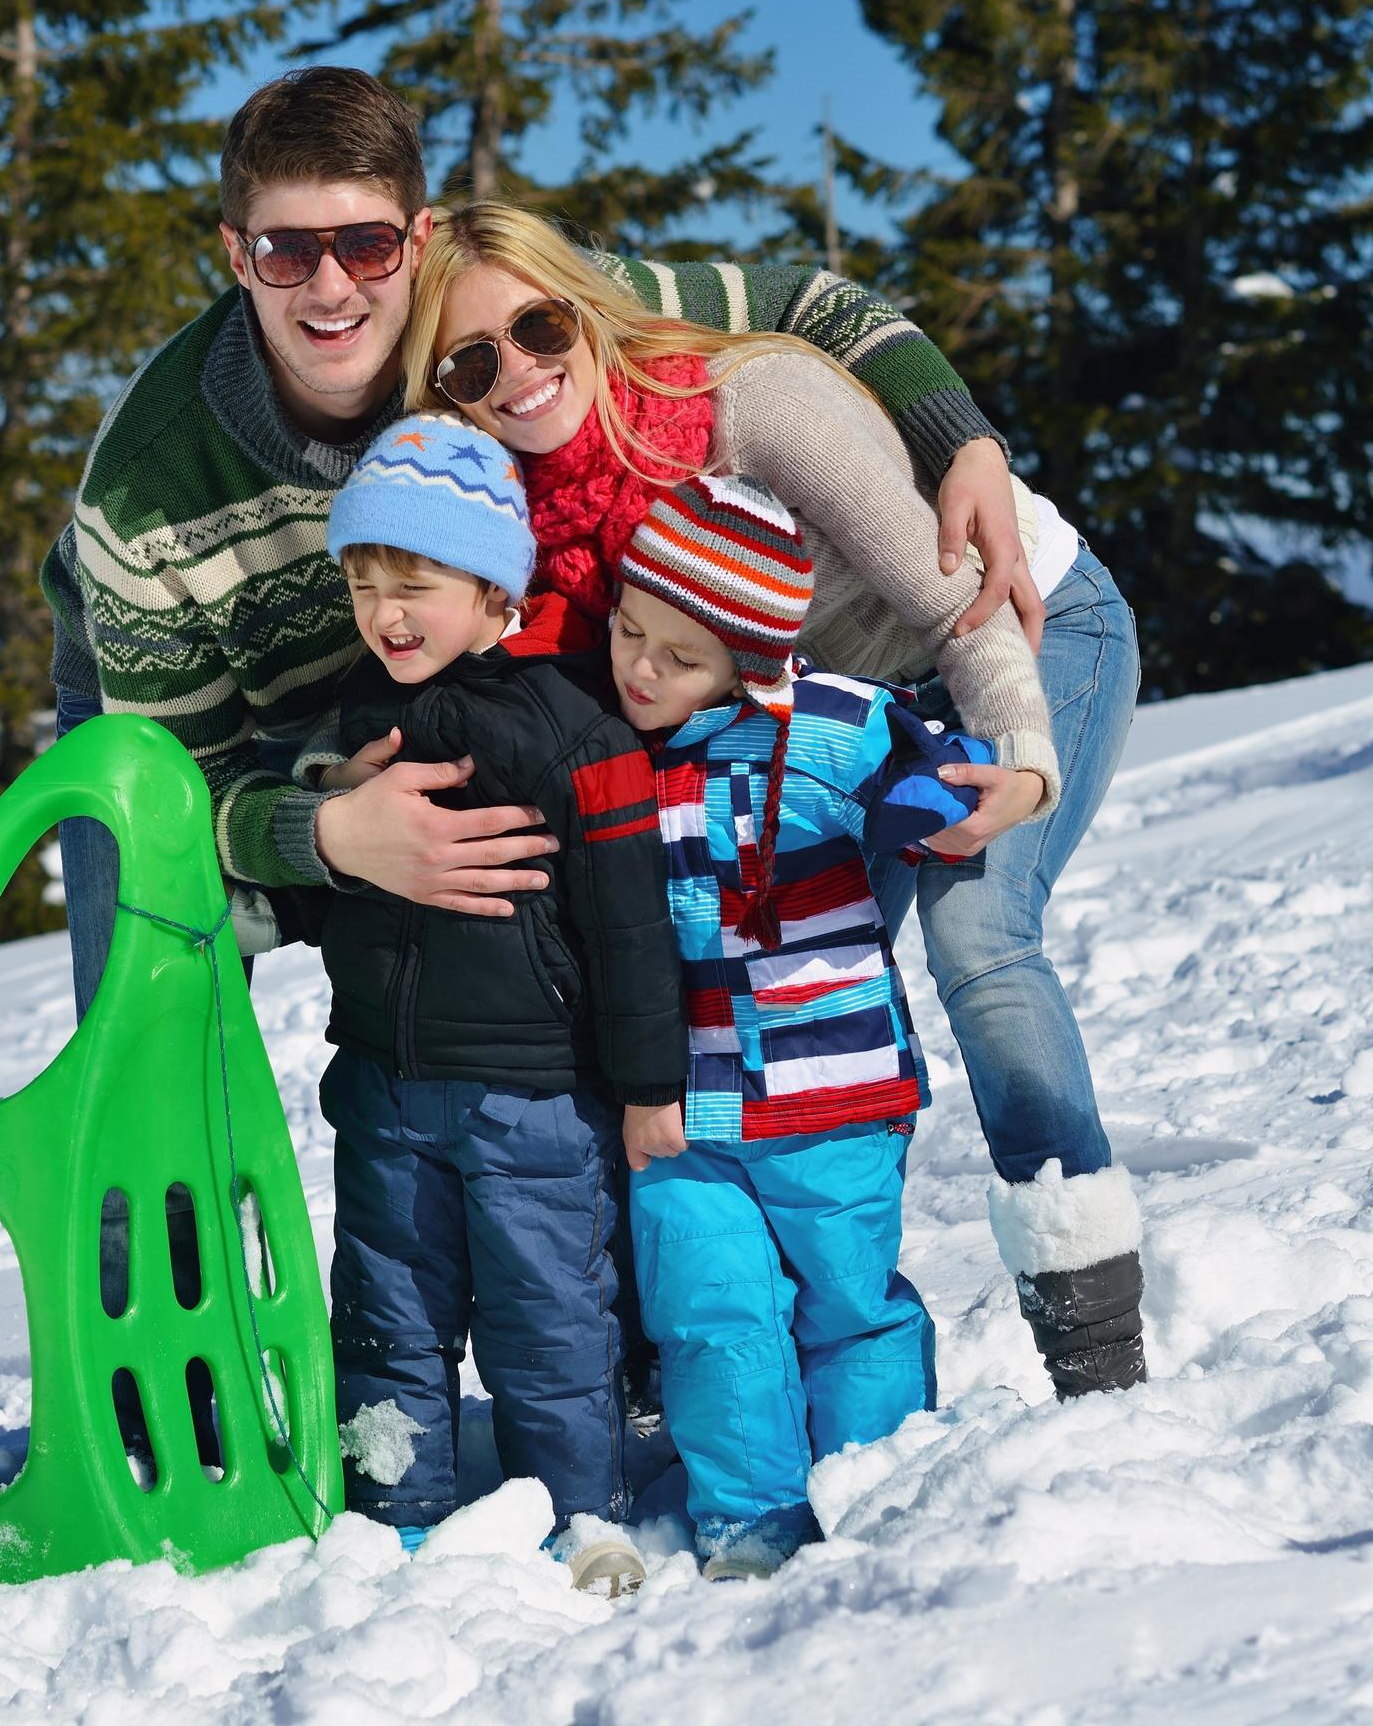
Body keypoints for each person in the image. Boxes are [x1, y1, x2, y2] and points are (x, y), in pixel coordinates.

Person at [42, 66, 1042, 997]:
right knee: (156, 973)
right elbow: (182, 799)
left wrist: (963, 439)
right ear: (235, 253)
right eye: (286, 249)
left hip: (408, 680)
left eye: (366, 244)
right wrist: (326, 832)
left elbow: (802, 304)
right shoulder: (146, 496)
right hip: (181, 690)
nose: (332, 286)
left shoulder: (504, 330)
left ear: (419, 235)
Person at [406, 200, 1151, 1400]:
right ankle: (710, 1339)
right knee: (739, 971)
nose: (521, 372)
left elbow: (950, 596)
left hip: (1017, 631)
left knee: (976, 929)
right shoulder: (523, 517)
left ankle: (1094, 1344)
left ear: (587, 308)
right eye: (472, 360)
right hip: (823, 710)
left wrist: (1017, 750)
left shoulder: (747, 405)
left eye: (540, 325)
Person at [313, 416, 679, 1596]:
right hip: (383, 1077)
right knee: (385, 1307)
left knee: (548, 1312)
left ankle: (583, 1512)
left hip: (534, 1094)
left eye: (413, 584)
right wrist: (324, 797)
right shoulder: (347, 722)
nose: (387, 612)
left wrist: (646, 1086)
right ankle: (396, 1509)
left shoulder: (576, 731)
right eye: (364, 584)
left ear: (491, 591)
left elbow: (629, 931)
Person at [605, 476, 989, 1578]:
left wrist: (929, 802)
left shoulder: (826, 726)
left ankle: (881, 1494)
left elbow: (933, 765)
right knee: (708, 1312)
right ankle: (749, 1523)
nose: (640, 668)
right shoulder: (610, 745)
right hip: (682, 1109)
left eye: (676, 658)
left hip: (835, 1096)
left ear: (750, 657)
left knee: (847, 1305)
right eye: (631, 631)